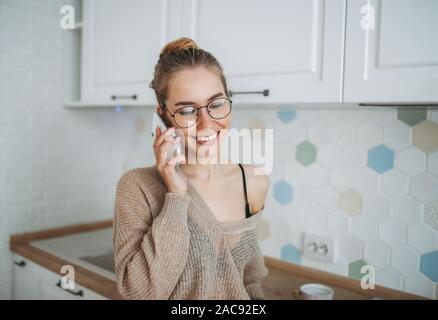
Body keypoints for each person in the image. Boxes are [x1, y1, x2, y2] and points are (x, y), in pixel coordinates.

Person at [112, 37, 269, 299]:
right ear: (162, 115)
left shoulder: (252, 180)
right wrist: (175, 194)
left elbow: (249, 279)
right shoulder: (136, 187)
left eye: (217, 104)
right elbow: (140, 293)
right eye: (187, 111)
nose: (206, 123)